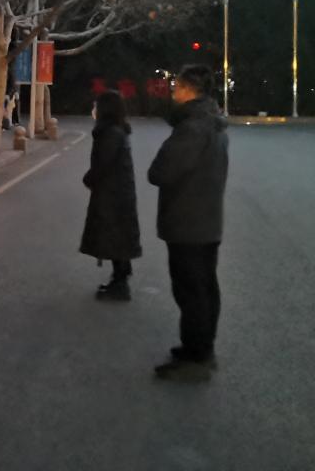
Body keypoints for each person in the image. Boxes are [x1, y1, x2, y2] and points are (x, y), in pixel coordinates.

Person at [148, 65, 229, 382]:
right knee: (204, 288)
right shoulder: (213, 124)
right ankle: (200, 348)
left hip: (188, 222)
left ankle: (197, 357)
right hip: (206, 220)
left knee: (192, 291)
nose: (173, 93)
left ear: (187, 90)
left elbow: (160, 172)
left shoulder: (192, 128)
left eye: (176, 87)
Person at [79, 90, 141, 302]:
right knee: (117, 237)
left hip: (113, 197)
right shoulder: (115, 131)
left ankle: (120, 284)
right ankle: (119, 278)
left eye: (96, 106)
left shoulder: (110, 134)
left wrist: (88, 179)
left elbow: (102, 165)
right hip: (117, 194)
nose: (93, 110)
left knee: (115, 238)